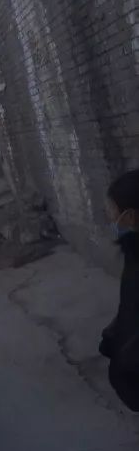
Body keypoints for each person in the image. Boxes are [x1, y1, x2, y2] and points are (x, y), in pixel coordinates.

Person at [100, 170, 139, 411]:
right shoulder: (133, 252)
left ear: (130, 216)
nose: (110, 217)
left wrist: (124, 363)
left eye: (113, 210)